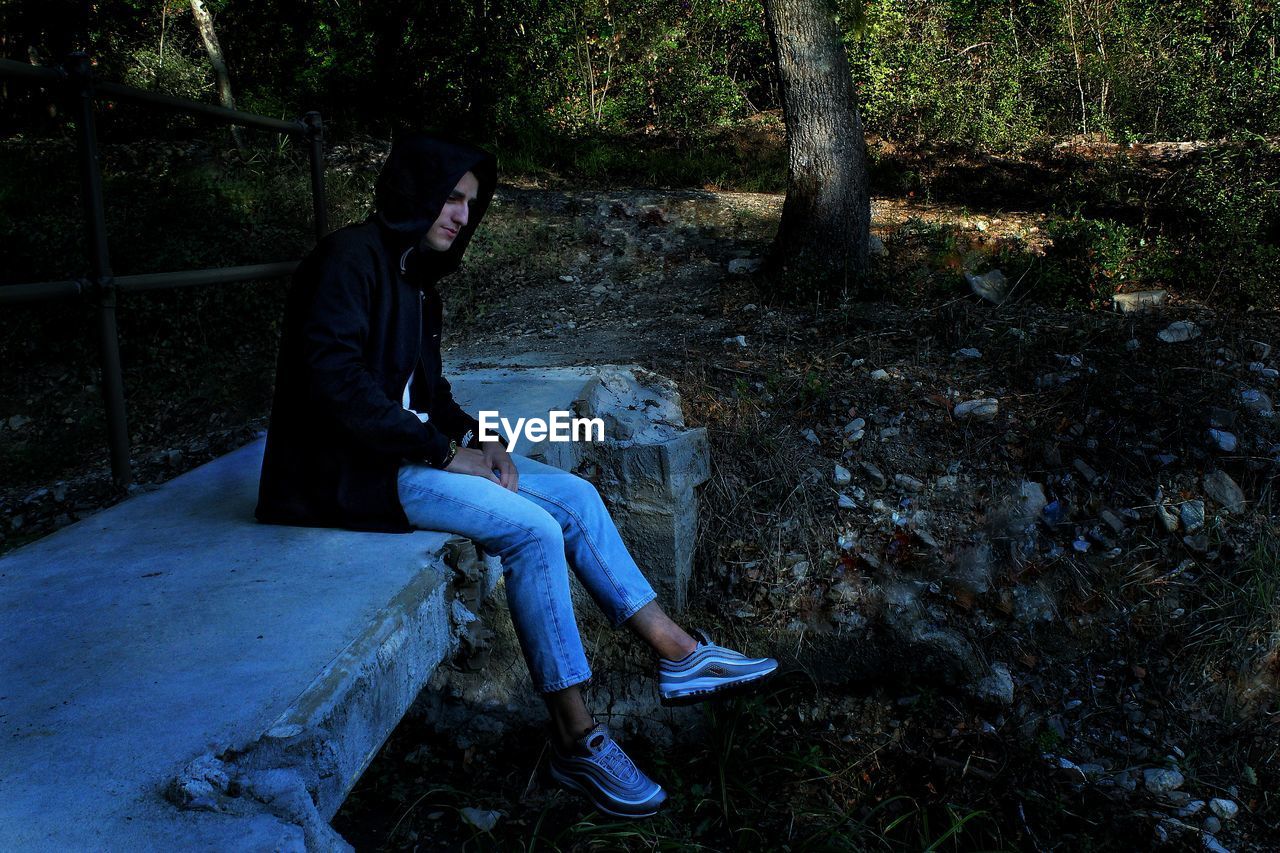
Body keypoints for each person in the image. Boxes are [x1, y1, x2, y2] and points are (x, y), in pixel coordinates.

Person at [256, 134, 777, 818]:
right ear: (412, 193)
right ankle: (576, 737)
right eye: (449, 197)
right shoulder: (346, 261)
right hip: (346, 474)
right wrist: (445, 453)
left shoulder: (419, 282)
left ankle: (678, 651)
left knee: (577, 495)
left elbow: (428, 392)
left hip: (405, 456)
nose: (461, 215)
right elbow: (337, 384)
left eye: (470, 203)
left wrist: (478, 437)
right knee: (532, 529)